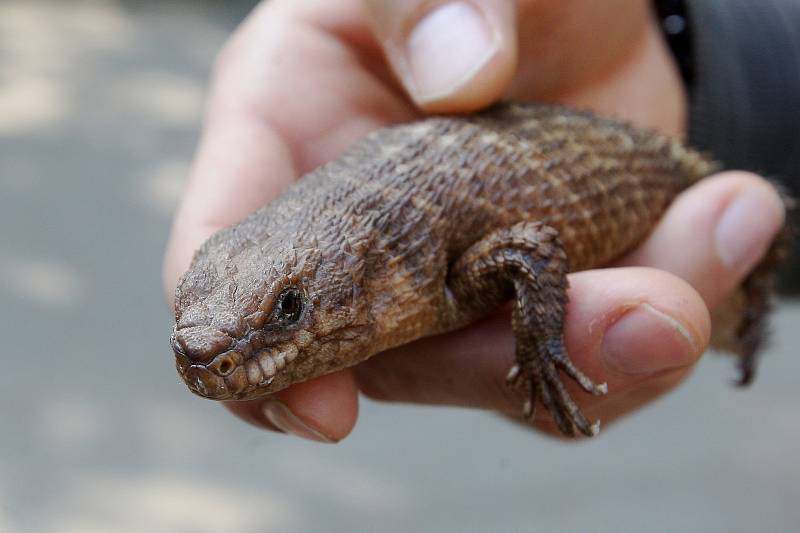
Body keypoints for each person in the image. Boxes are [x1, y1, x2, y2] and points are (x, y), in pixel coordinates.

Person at [163, 0, 795, 443]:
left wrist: (543, 350)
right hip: (685, 125)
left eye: (288, 311)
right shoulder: (372, 265)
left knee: (757, 233)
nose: (205, 359)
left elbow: (531, 248)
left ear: (348, 279)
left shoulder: (410, 271)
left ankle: (760, 289)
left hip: (650, 167)